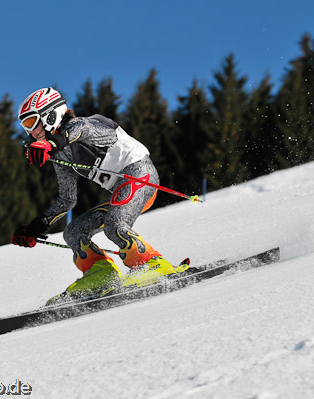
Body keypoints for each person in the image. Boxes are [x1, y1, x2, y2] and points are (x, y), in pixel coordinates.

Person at [11, 87, 187, 305]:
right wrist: (37, 226)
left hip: (141, 176)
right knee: (74, 232)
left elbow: (80, 131)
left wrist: (50, 143)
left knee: (115, 224)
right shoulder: (59, 153)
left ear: (49, 115)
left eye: (31, 123)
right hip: (121, 192)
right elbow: (67, 199)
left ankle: (152, 264)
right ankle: (101, 275)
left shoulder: (81, 126)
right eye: (25, 127)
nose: (29, 132)